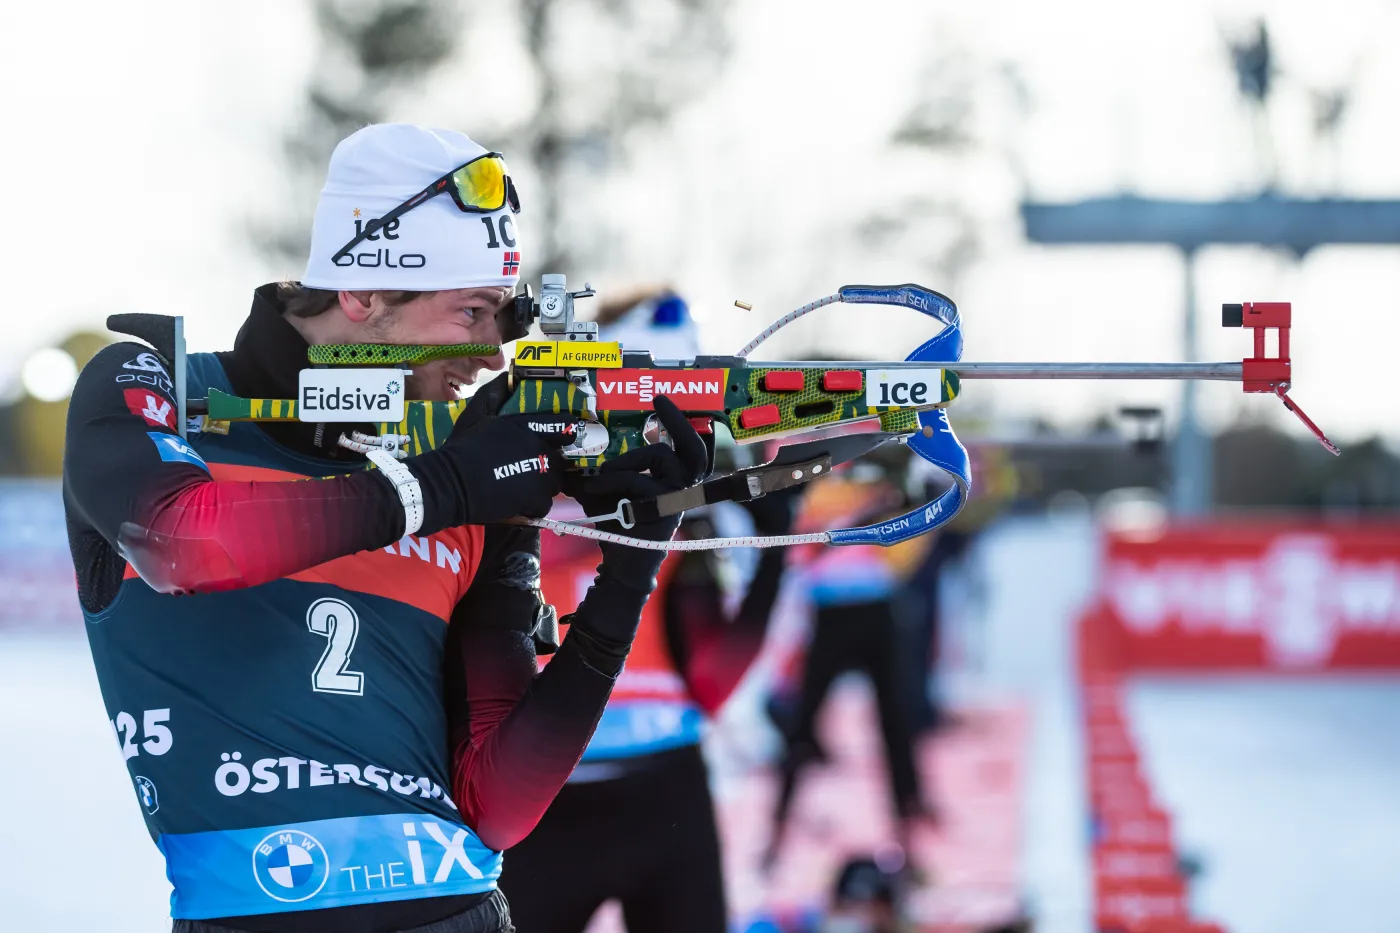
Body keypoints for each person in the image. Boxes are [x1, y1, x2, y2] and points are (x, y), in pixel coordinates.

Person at [61, 124, 705, 933]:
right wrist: (453, 484)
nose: (487, 354)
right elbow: (184, 541)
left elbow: (498, 805)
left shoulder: (458, 464)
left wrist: (632, 564)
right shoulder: (154, 383)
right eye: (470, 311)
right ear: (364, 293)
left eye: (500, 320)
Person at [494, 289, 802, 933]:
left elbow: (712, 682)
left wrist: (773, 546)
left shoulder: (677, 519)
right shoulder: (514, 481)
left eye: (682, 418)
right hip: (537, 800)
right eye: (646, 412)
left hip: (664, 789)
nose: (660, 438)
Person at [763, 447, 936, 873]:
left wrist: (899, 500)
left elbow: (912, 535)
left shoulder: (885, 481)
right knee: (801, 729)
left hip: (877, 610)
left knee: (896, 729)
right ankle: (775, 842)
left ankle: (909, 844)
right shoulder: (808, 486)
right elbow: (797, 548)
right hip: (829, 614)